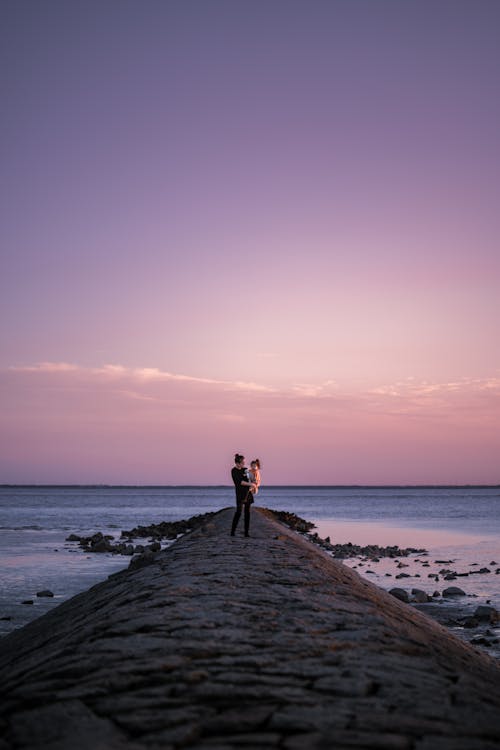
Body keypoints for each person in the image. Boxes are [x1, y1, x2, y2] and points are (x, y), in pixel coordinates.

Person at [230, 453, 256, 537]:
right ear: (237, 463)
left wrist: (253, 480)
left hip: (248, 494)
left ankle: (246, 533)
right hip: (240, 495)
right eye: (242, 462)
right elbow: (240, 482)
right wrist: (250, 484)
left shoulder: (245, 469)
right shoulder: (233, 471)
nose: (244, 464)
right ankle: (232, 532)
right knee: (238, 512)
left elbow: (252, 478)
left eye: (244, 462)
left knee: (247, 513)